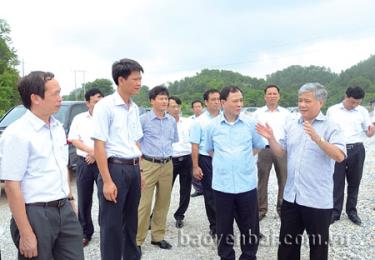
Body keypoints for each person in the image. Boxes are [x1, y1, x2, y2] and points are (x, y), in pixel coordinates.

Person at [256, 82, 346, 260]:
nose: (302, 105)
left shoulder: (332, 126)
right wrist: (271, 137)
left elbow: (339, 156)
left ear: (320, 103)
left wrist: (318, 138)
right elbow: (281, 151)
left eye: (307, 101)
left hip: (317, 200)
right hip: (292, 197)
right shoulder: (292, 124)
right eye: (300, 100)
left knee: (318, 247)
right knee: (287, 247)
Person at [0, 71, 84, 260]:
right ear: (36, 98)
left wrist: (70, 199)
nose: (60, 98)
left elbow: (61, 167)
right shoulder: (17, 134)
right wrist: (26, 233)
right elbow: (12, 186)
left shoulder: (57, 127)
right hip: (36, 214)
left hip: (64, 209)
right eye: (55, 93)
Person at [92, 58, 144, 260]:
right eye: (135, 79)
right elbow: (99, 145)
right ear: (121, 80)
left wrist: (139, 171)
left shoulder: (135, 107)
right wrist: (106, 181)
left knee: (132, 222)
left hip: (132, 168)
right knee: (112, 225)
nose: (139, 82)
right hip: (114, 170)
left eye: (140, 78)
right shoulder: (105, 106)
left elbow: (136, 143)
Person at [206, 86, 264, 260]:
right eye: (235, 101)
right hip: (222, 186)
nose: (240, 104)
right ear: (223, 103)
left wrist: (242, 159)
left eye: (241, 100)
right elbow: (210, 150)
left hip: (246, 184)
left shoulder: (250, 123)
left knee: (250, 226)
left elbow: (258, 145)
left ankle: (248, 256)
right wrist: (226, 162)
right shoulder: (212, 126)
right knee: (223, 227)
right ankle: (226, 256)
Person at [137, 86, 178, 250]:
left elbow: (173, 140)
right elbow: (136, 143)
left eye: (166, 98)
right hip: (148, 164)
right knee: (144, 204)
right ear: (152, 101)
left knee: (163, 202)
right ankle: (137, 241)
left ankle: (157, 236)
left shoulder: (172, 121)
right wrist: (139, 167)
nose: (164, 101)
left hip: (167, 164)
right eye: (160, 98)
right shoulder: (143, 120)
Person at [327, 86, 375, 225]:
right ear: (346, 96)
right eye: (352, 102)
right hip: (338, 149)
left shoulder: (362, 111)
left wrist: (372, 131)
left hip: (356, 149)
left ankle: (352, 211)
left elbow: (368, 132)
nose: (355, 105)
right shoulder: (333, 110)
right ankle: (335, 212)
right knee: (337, 181)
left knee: (354, 182)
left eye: (358, 103)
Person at [68, 88, 103, 246]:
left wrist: (97, 155)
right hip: (84, 163)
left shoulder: (108, 118)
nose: (99, 104)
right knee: (84, 199)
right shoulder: (79, 119)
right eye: (96, 101)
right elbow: (74, 139)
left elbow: (112, 140)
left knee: (106, 198)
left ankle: (107, 230)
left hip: (104, 162)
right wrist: (92, 151)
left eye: (101, 101)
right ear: (87, 102)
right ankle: (85, 232)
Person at [253, 85, 290, 220]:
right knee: (262, 180)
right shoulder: (258, 113)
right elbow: (254, 131)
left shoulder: (286, 113)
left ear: (279, 96)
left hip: (281, 150)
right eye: (269, 94)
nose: (272, 96)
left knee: (284, 179)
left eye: (275, 93)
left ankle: (283, 208)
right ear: (265, 96)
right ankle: (261, 209)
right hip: (264, 149)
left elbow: (289, 132)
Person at [190, 89, 221, 237]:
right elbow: (195, 145)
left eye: (218, 99)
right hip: (206, 159)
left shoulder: (226, 117)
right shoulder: (199, 121)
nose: (217, 101)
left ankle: (231, 222)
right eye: (213, 99)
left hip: (224, 159)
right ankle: (215, 225)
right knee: (210, 193)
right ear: (206, 103)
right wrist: (195, 166)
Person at [168, 96, 193, 228]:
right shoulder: (164, 123)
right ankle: (155, 216)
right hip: (170, 160)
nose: (176, 109)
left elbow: (194, 142)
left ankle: (179, 215)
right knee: (165, 190)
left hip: (187, 159)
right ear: (167, 108)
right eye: (172, 106)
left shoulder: (188, 122)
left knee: (185, 190)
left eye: (178, 106)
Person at [189, 99, 204, 197]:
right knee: (193, 168)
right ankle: (198, 189)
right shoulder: (189, 120)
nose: (198, 108)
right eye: (195, 107)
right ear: (192, 109)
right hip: (192, 147)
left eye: (199, 106)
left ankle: (206, 187)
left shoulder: (205, 119)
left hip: (203, 149)